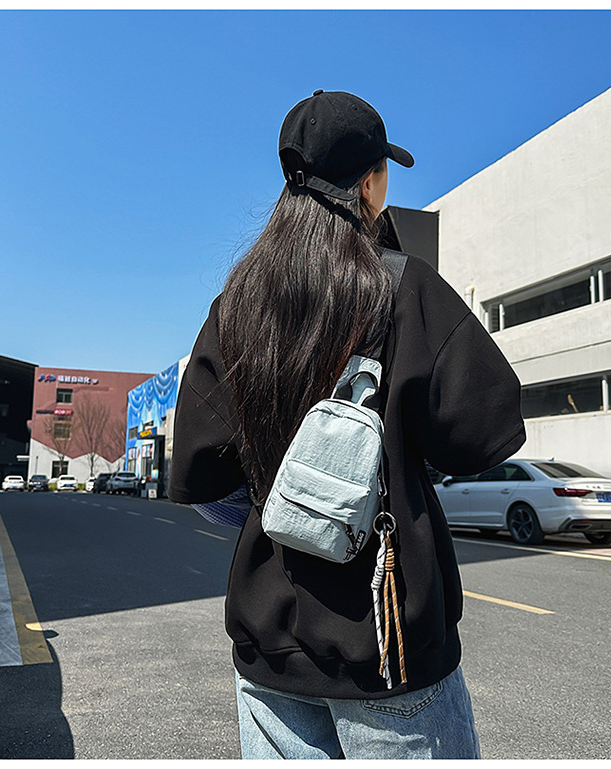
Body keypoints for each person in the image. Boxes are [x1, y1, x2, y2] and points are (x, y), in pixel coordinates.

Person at [168, 90, 525, 759]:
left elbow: (206, 482)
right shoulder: (405, 287)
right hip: (386, 645)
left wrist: (294, 509)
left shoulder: (235, 305)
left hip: (269, 648)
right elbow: (486, 432)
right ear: (369, 181)